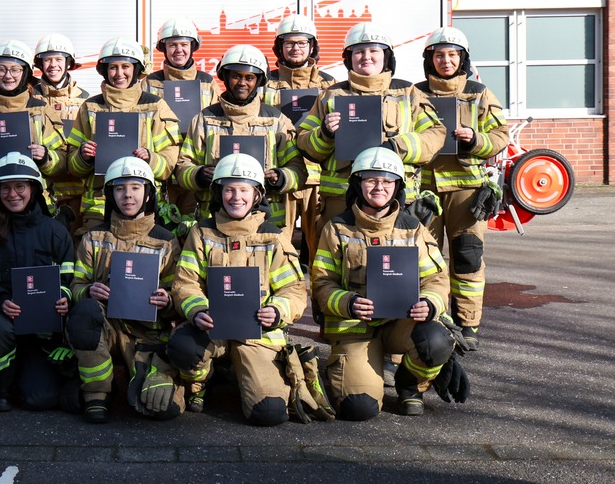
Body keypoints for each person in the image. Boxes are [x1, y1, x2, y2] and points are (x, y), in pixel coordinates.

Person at [311, 147, 454, 419]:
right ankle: (347, 370)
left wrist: (429, 303)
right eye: (371, 180)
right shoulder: (337, 228)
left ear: (397, 186)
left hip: (400, 324)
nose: (380, 187)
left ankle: (410, 385)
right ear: (358, 183)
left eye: (388, 181)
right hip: (354, 327)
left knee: (436, 340)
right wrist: (348, 303)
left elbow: (435, 278)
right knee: (358, 408)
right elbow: (322, 283)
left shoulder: (413, 228)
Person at [167, 154, 307, 426]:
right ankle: (200, 382)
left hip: (258, 334)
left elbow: (294, 289)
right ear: (218, 192)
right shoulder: (201, 233)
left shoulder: (274, 236)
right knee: (183, 348)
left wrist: (277, 311)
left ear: (257, 194)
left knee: (269, 413)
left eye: (244, 189)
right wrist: (197, 310)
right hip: (211, 329)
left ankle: (241, 373)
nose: (236, 197)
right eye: (229, 189)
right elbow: (185, 282)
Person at [295, 23, 446, 248]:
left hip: (395, 197)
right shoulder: (331, 95)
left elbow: (435, 135)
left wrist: (397, 146)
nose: (366, 57)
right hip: (340, 200)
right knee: (336, 259)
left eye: (374, 50)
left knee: (393, 261)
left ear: (386, 56)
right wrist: (324, 133)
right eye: (359, 51)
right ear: (349, 58)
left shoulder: (408, 93)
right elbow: (304, 141)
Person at [65, 157, 184, 423]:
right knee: (84, 311)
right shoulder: (93, 238)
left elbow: (178, 292)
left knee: (163, 409)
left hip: (147, 335)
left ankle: (144, 377)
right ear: (110, 195)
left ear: (148, 193)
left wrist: (167, 302)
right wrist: (88, 292)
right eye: (119, 188)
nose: (127, 195)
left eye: (135, 187)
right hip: (105, 328)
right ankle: (97, 393)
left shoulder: (166, 241)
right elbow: (76, 285)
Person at [416, 27, 508, 350]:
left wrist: (475, 139)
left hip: (466, 190)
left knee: (468, 256)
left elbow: (500, 135)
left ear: (462, 58)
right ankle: (431, 318)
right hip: (424, 190)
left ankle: (468, 323)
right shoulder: (415, 94)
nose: (446, 61)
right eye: (439, 55)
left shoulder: (479, 93)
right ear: (430, 59)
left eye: (453, 55)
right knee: (422, 258)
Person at [0, 153, 76, 412]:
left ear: (34, 189)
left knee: (40, 399)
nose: (12, 194)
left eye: (20, 186)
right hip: (3, 322)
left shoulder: (55, 232)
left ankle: (25, 373)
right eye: (5, 188)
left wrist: (64, 297)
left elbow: (69, 279)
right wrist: (1, 300)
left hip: (42, 332)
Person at [175, 44, 307, 228]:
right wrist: (198, 175)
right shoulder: (204, 119)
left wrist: (281, 178)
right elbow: (183, 167)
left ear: (259, 81)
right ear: (225, 77)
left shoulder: (276, 121)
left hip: (267, 223)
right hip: (215, 221)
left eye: (249, 77)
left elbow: (298, 170)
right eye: (236, 76)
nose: (242, 83)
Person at [66, 38, 181, 233]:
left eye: (125, 66)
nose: (119, 73)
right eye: (113, 67)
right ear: (105, 70)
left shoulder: (155, 106)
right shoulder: (90, 107)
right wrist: (83, 157)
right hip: (98, 206)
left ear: (136, 69)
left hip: (144, 206)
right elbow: (73, 167)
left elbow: (168, 165)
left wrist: (150, 159)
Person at [0, 39, 66, 226]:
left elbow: (62, 161)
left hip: (35, 209)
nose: (8, 75)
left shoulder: (41, 110)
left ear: (25, 73)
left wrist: (45, 157)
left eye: (15, 70)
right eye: (2, 69)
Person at [263, 14, 336, 260]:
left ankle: (318, 288)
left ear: (312, 46)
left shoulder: (330, 85)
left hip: (318, 175)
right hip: (282, 176)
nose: (296, 48)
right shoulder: (265, 84)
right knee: (279, 245)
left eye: (302, 42)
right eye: (289, 43)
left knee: (322, 247)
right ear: (280, 47)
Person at [143, 17, 221, 228]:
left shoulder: (207, 82)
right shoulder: (149, 83)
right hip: (162, 170)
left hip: (195, 168)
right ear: (164, 48)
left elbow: (219, 123)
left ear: (193, 47)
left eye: (184, 44)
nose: (178, 50)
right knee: (162, 226)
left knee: (191, 225)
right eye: (172, 45)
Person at [29, 34, 91, 233]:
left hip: (78, 192)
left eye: (58, 59)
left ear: (68, 62)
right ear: (40, 63)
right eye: (47, 60)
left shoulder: (86, 100)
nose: (53, 65)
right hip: (42, 192)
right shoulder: (29, 98)